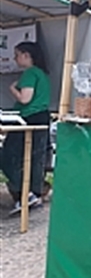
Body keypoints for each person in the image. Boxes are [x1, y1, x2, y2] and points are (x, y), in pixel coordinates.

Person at [1, 42, 50, 215]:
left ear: (27, 56)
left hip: (27, 118)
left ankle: (25, 193)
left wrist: (13, 88)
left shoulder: (29, 73)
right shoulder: (42, 74)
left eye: (17, 54)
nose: (15, 58)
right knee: (34, 159)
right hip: (42, 117)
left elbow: (24, 99)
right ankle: (33, 193)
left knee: (7, 156)